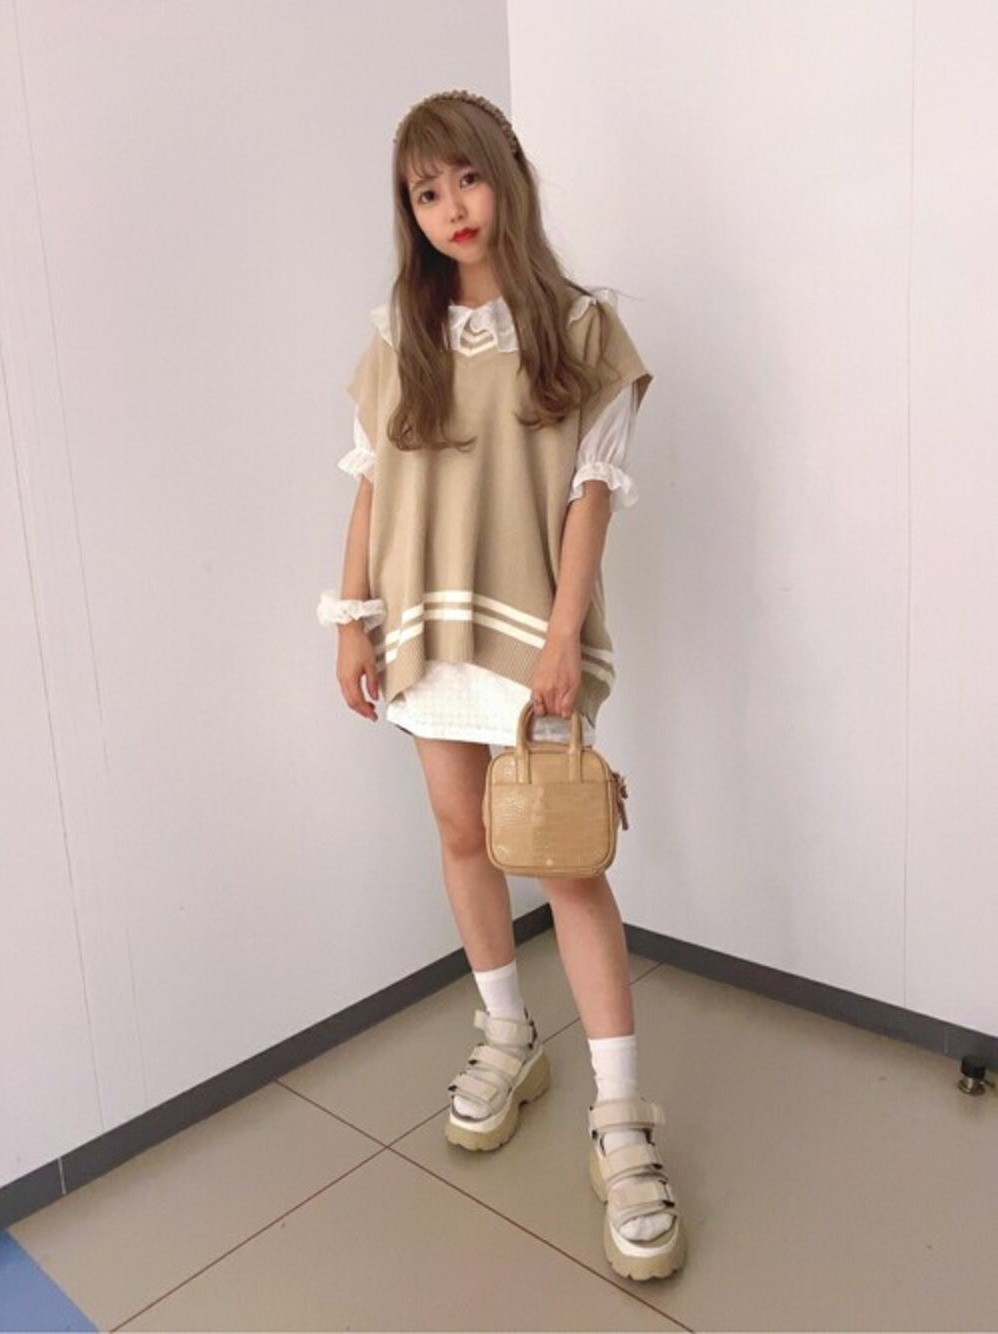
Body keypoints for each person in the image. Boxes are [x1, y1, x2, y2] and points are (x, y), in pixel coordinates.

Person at [317, 89, 686, 1282]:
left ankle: (620, 1117)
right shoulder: (402, 331)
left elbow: (590, 494)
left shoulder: (578, 326)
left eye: (466, 178)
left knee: (564, 858)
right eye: (425, 192)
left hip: (529, 630)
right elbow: (372, 482)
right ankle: (507, 1031)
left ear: (508, 175)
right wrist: (350, 616)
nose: (451, 207)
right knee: (461, 830)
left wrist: (563, 633)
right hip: (424, 624)